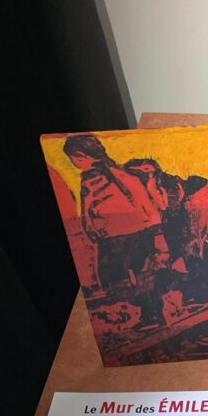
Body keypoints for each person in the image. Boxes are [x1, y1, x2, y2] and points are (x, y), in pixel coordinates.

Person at [63, 135, 168, 327]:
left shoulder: (110, 174)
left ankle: (153, 314)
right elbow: (88, 207)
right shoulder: (100, 175)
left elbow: (138, 197)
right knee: (127, 276)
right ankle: (150, 314)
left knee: (132, 275)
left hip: (124, 233)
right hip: (120, 233)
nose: (74, 162)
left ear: (84, 155)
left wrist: (153, 226)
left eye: (74, 158)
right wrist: (90, 227)